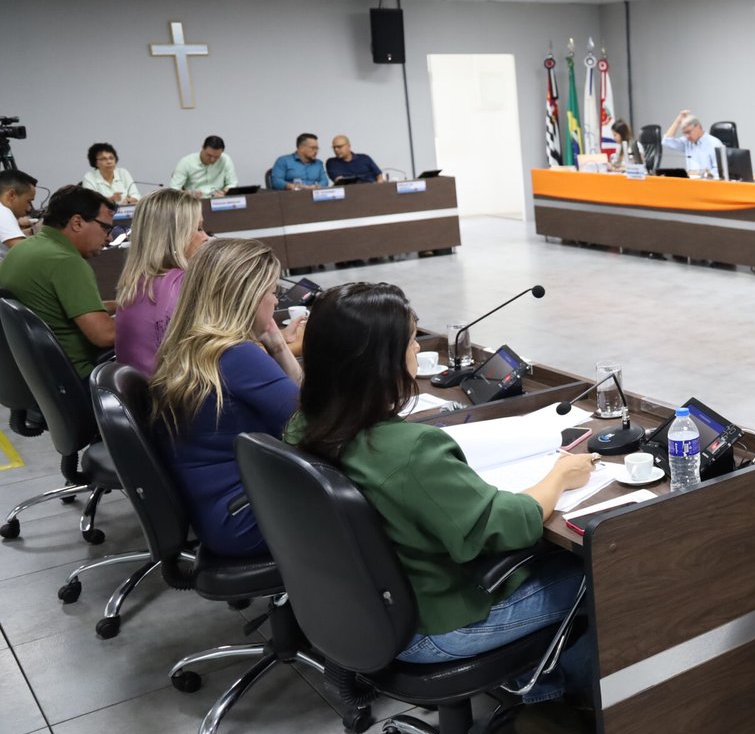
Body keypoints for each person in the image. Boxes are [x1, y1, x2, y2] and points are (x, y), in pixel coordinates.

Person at [286, 281, 596, 700]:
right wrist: (560, 475)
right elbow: (508, 526)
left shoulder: (304, 425)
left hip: (362, 614)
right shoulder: (409, 451)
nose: (417, 349)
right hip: (436, 629)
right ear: (382, 362)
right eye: (411, 341)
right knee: (604, 574)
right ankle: (561, 697)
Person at [149, 238, 302, 557]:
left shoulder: (192, 346)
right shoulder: (236, 355)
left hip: (220, 511)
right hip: (246, 516)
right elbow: (313, 422)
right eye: (272, 290)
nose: (275, 300)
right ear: (248, 296)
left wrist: (277, 345)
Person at [0, 184, 117, 378]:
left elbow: (58, 309)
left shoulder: (23, 249)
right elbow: (104, 335)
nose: (109, 237)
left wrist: (117, 306)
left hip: (34, 376)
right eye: (105, 228)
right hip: (80, 377)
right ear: (77, 222)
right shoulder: (67, 262)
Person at [112, 189, 209, 375]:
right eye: (198, 228)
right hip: (174, 390)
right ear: (175, 236)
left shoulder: (137, 283)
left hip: (146, 388)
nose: (205, 237)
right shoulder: (181, 284)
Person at [662, 110, 724, 177]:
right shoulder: (687, 142)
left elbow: (720, 172)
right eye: (684, 133)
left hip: (708, 182)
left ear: (698, 127)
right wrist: (678, 121)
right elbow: (666, 142)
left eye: (688, 132)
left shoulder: (714, 143)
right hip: (691, 182)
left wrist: (700, 173)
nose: (687, 136)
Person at [170, 135, 237, 198]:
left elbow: (233, 184)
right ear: (202, 147)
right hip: (194, 201)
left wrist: (224, 192)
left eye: (217, 157)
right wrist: (189, 193)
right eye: (209, 155)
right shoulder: (186, 163)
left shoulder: (225, 160)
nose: (212, 160)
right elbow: (173, 190)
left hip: (218, 200)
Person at [0, 168, 38, 258]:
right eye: (28, 201)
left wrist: (31, 231)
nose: (29, 208)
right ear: (12, 195)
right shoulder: (3, 212)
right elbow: (27, 253)